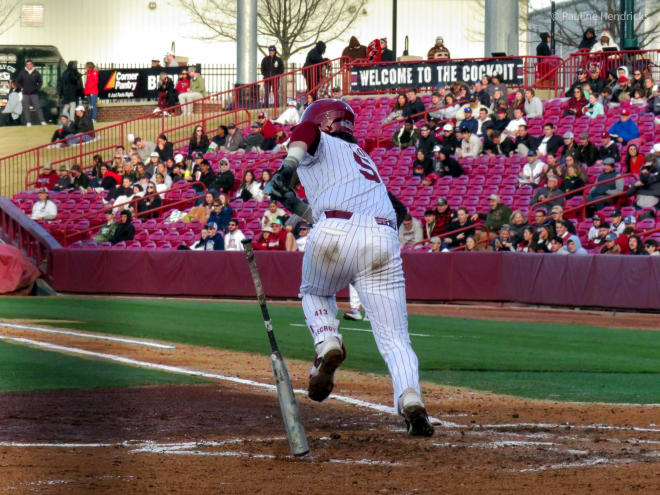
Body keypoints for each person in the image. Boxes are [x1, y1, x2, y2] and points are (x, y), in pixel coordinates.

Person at [264, 98, 434, 436]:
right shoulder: (364, 158)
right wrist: (295, 201)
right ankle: (410, 396)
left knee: (314, 293)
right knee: (396, 338)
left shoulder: (318, 138)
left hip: (334, 230)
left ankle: (327, 340)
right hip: (383, 236)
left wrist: (288, 165)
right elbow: (388, 208)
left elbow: (307, 131)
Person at [15, 59, 46, 126]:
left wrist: (37, 88)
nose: (29, 65)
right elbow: (17, 81)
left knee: (38, 107)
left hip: (34, 94)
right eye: (27, 64)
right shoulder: (22, 73)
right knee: (26, 108)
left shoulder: (36, 72)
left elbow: (40, 82)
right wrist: (22, 88)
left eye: (30, 64)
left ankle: (42, 121)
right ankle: (28, 122)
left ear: (32, 65)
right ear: (26, 65)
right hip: (25, 94)